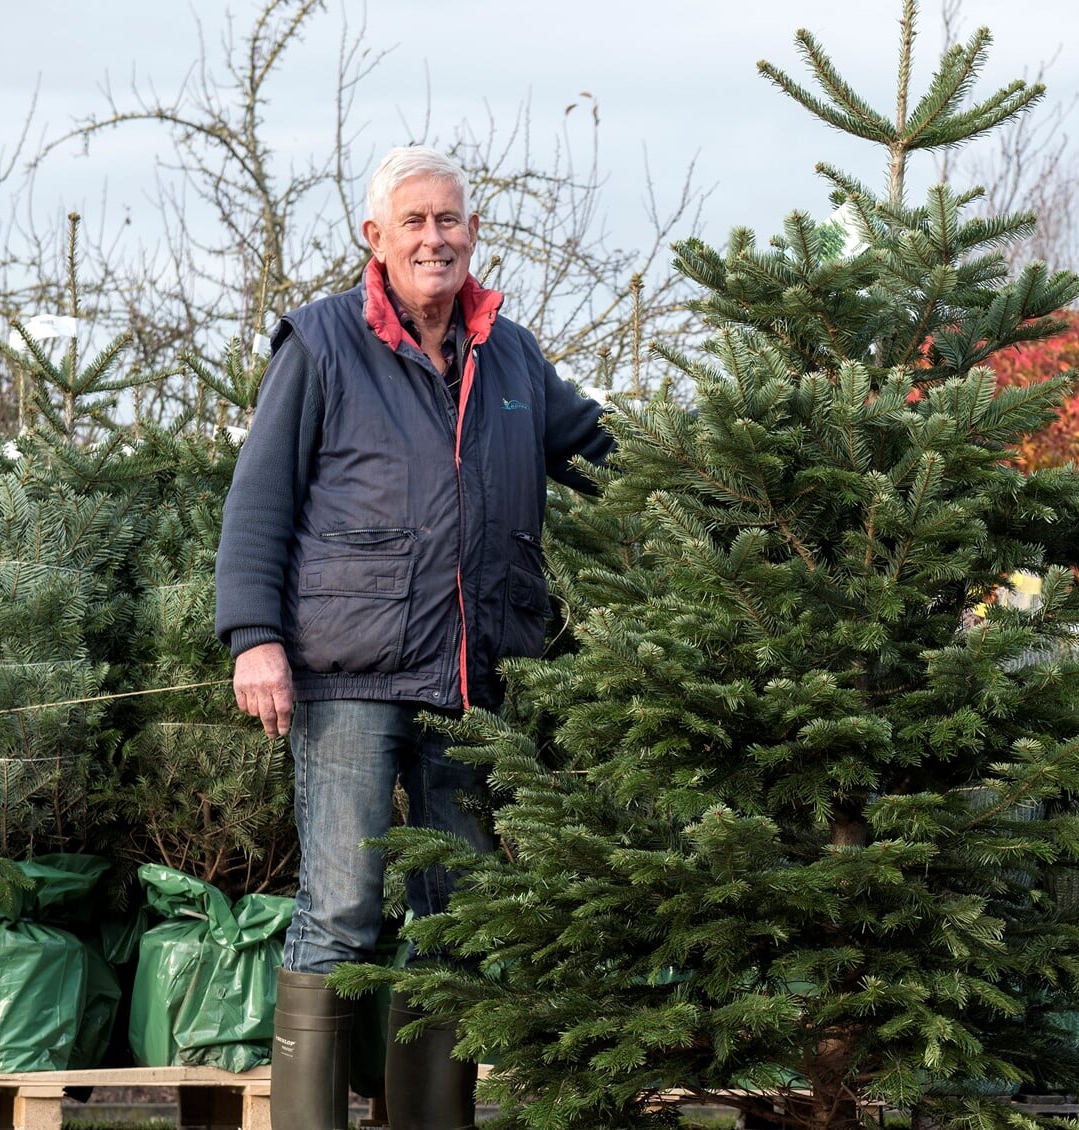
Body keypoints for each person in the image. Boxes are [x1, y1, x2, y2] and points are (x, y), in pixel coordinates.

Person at [215, 145, 614, 1130]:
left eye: (450, 220)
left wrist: (724, 480)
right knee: (343, 906)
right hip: (347, 673)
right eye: (415, 222)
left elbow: (605, 457)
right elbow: (258, 502)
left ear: (472, 231)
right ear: (375, 238)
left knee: (460, 912)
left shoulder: (511, 353)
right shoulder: (319, 343)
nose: (434, 238)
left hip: (477, 674)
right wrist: (253, 636)